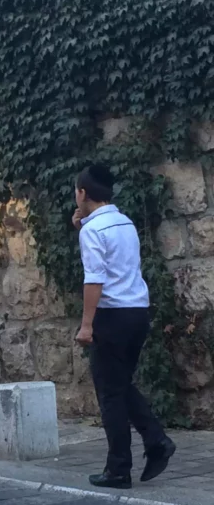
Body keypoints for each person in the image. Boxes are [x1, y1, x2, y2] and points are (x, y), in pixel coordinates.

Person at [72, 164, 174, 488]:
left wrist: (87, 325)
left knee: (111, 395)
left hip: (112, 315)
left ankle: (119, 468)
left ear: (83, 193)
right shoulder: (124, 222)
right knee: (120, 384)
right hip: (137, 312)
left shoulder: (93, 231)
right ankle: (156, 440)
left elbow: (95, 279)